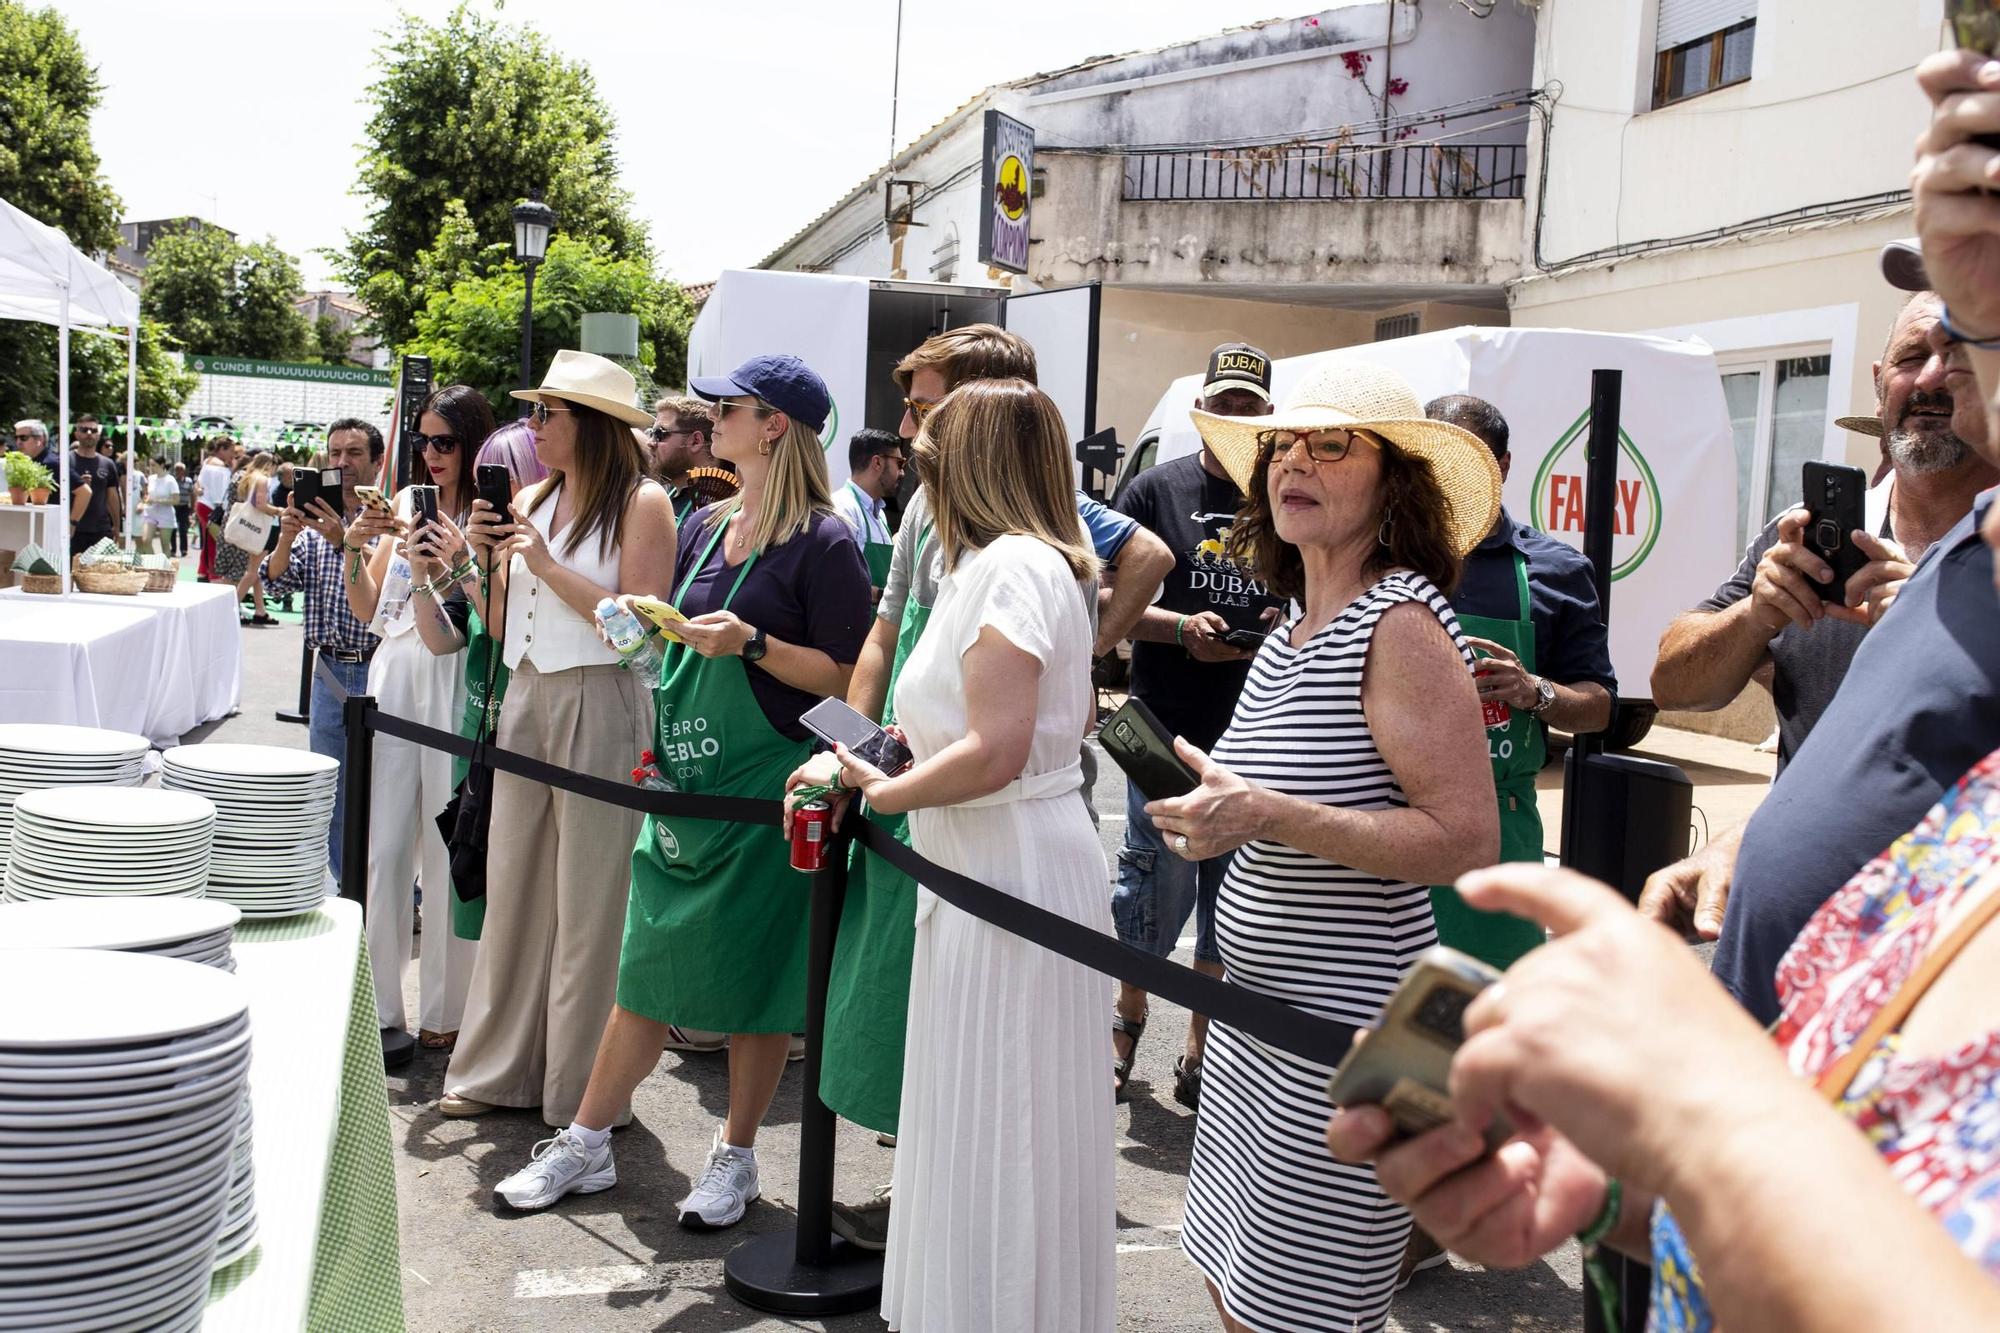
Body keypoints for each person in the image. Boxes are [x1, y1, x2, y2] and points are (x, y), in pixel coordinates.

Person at [1143, 361, 1501, 1333]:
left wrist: (1264, 815)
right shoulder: (1289, 629)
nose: (1293, 461)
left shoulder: (1403, 623)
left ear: (1393, 483)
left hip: (1347, 1043)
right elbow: (1266, 802)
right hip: (1257, 1030)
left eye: (1330, 444)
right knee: (1230, 1287)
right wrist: (1211, 809)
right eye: (1281, 447)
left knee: (1300, 1315)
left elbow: (1465, 839)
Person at [811, 324, 1173, 1251]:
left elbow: (999, 746)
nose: (914, 454)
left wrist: (882, 787)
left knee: (1003, 1107)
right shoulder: (1000, 554)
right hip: (973, 844)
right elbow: (920, 667)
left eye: (931, 436)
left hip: (995, 853)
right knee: (980, 1103)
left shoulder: (1014, 564)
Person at [492, 354, 870, 1226]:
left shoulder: (824, 539)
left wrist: (750, 644)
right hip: (684, 777)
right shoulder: (706, 523)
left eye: (729, 407)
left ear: (774, 425)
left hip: (765, 783)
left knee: (757, 986)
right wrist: (638, 627)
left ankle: (735, 1158)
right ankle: (586, 1141)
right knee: (644, 967)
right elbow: (658, 641)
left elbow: (851, 678)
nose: (711, 418)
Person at [439, 350, 676, 1128]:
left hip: (602, 699)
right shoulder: (533, 497)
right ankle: (496, 1066)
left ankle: (580, 1091)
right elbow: (503, 623)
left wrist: (541, 560)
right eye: (534, 411)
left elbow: (639, 629)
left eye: (548, 413)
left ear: (593, 426)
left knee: (589, 902)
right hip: (527, 694)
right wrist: (481, 560)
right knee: (514, 888)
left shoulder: (644, 502)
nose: (532, 426)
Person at [1651, 288, 1995, 773]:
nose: (1931, 378)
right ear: (1879, 386)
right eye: (1912, 357)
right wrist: (1755, 615)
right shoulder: (1802, 537)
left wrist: (1940, 631)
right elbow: (1672, 687)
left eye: (1961, 359)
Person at [1107, 342, 1279, 1108]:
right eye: (1225, 403)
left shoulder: (1285, 498)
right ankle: (1125, 1024)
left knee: (1227, 906)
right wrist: (1181, 629)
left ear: (1268, 417)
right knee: (1152, 891)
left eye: (1250, 405)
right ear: (1199, 410)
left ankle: (1199, 1054)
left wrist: (1287, 622)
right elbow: (1107, 612)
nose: (1235, 416)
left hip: (1255, 734)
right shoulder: (1151, 490)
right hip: (1162, 728)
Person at [1426, 393, 1615, 967]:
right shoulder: (1373, 560)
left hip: (1497, 831)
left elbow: (1599, 705)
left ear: (1503, 467)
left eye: (1471, 459)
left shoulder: (1555, 570)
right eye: (1436, 460)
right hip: (1382, 815)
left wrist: (1535, 691)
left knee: (1484, 1016)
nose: (1450, 476)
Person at [338, 385, 489, 1052]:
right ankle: (378, 1007)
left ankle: (446, 1011)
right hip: (394, 669)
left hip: (455, 669)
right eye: (423, 440)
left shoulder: (490, 515)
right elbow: (369, 609)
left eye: (445, 441)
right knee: (387, 842)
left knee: (448, 841)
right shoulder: (401, 503)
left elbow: (485, 614)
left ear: (473, 442)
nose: (431, 453)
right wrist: (352, 547)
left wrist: (453, 559)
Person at [436, 419, 546, 945]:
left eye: (500, 482)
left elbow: (501, 625)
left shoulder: (536, 552)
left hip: (522, 730)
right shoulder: (490, 551)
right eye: (483, 483)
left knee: (516, 885)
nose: (489, 497)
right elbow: (449, 634)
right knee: (473, 867)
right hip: (479, 727)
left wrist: (467, 562)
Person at [262, 420, 385, 885]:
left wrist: (343, 539)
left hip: (378, 671)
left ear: (375, 460)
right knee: (332, 790)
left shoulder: (385, 520)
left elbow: (388, 590)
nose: (342, 463)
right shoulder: (311, 525)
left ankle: (394, 890)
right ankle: (344, 883)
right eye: (334, 453)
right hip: (329, 670)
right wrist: (289, 535)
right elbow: (279, 581)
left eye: (354, 453)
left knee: (384, 790)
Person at [832, 427, 907, 596]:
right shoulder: (843, 508)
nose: (902, 472)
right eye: (899, 463)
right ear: (877, 463)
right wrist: (886, 598)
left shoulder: (879, 514)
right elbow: (839, 580)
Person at [216, 453, 280, 627]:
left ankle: (260, 610)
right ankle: (232, 607)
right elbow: (260, 504)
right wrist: (278, 511)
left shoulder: (243, 475)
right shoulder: (261, 480)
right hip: (254, 530)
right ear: (269, 464)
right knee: (253, 571)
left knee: (256, 572)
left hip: (238, 526)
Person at [649, 395, 721, 523]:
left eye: (659, 434)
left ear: (695, 441)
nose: (650, 442)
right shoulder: (669, 495)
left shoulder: (717, 505)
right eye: (651, 433)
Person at [66, 413, 121, 552]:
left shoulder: (107, 464)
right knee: (71, 572)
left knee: (100, 572)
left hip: (101, 530)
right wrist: (79, 486)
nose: (89, 433)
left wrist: (117, 526)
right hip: (72, 528)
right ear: (77, 434)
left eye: (94, 430)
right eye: (84, 430)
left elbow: (112, 497)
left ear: (98, 435)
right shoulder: (66, 461)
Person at [196, 440, 237, 581]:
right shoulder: (222, 469)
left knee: (208, 541)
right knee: (216, 543)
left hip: (203, 505)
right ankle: (214, 575)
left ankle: (203, 572)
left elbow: (200, 484)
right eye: (231, 451)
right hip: (212, 508)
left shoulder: (208, 461)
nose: (233, 455)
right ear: (222, 449)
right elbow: (220, 496)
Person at [140, 456, 178, 556]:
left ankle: (164, 569)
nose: (151, 467)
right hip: (150, 513)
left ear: (162, 465)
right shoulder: (151, 478)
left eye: (153, 465)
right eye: (150, 465)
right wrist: (145, 500)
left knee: (165, 545)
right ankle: (153, 564)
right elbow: (148, 494)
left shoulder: (170, 480)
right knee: (145, 541)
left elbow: (176, 500)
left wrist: (157, 500)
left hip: (165, 514)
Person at [170, 462, 192, 557]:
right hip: (174, 506)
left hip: (184, 507)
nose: (178, 471)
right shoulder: (172, 481)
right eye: (177, 469)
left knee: (183, 529)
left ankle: (184, 549)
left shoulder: (189, 481)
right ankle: (173, 549)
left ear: (184, 471)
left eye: (180, 469)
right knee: (173, 529)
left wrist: (193, 507)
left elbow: (192, 494)